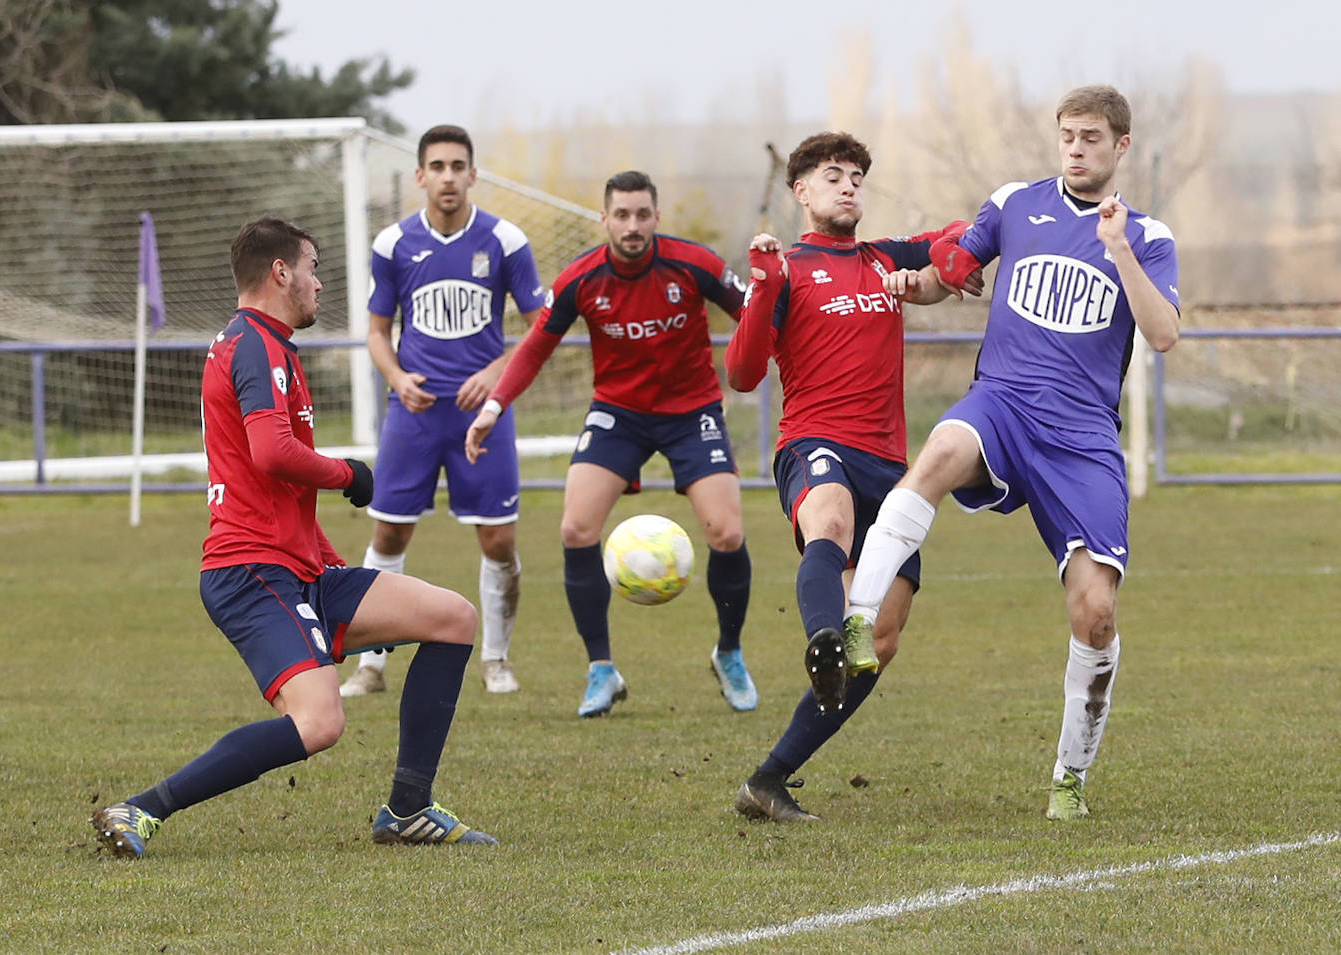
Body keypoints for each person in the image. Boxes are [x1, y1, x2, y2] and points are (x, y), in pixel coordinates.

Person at [92, 216, 496, 858]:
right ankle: (139, 809)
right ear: (281, 272)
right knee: (319, 723)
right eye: (313, 270)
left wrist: (337, 567)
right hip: (250, 572)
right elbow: (271, 453)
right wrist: (350, 475)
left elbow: (279, 484)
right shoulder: (254, 344)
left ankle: (409, 809)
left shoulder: (269, 344)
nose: (318, 285)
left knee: (451, 617)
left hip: (298, 567)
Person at [845, 84, 1181, 821]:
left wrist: (1117, 248)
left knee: (1095, 611)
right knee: (934, 455)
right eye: (1067, 135)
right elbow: (951, 275)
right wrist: (915, 284)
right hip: (1002, 401)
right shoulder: (1013, 203)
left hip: (1082, 437)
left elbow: (1162, 334)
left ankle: (1069, 775)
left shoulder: (1149, 237)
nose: (1076, 148)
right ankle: (856, 621)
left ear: (1121, 145)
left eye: (1092, 137)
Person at [723, 132, 975, 822]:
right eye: (833, 176)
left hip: (891, 469)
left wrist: (942, 268)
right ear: (800, 191)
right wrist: (763, 290)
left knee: (881, 641)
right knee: (827, 521)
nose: (849, 187)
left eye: (857, 177)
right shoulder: (785, 268)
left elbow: (965, 234)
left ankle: (769, 780)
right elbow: (743, 374)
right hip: (814, 443)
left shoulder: (883, 258)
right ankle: (822, 635)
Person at [464, 170, 757, 717]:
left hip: (692, 411)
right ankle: (601, 669)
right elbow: (532, 349)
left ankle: (730, 653)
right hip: (618, 414)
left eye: (642, 214)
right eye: (621, 215)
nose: (632, 225)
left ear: (656, 218)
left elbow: (756, 317)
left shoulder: (695, 265)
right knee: (575, 527)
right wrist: (492, 406)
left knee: (727, 531)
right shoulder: (582, 278)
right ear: (604, 219)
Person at [340, 125, 545, 699]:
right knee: (388, 534)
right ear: (421, 176)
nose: (449, 176)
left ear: (473, 175)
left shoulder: (504, 241)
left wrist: (494, 373)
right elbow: (378, 333)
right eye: (438, 166)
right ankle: (371, 666)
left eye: (459, 166)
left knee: (499, 542)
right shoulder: (392, 245)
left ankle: (497, 661)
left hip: (484, 416)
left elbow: (540, 330)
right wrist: (398, 378)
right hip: (415, 415)